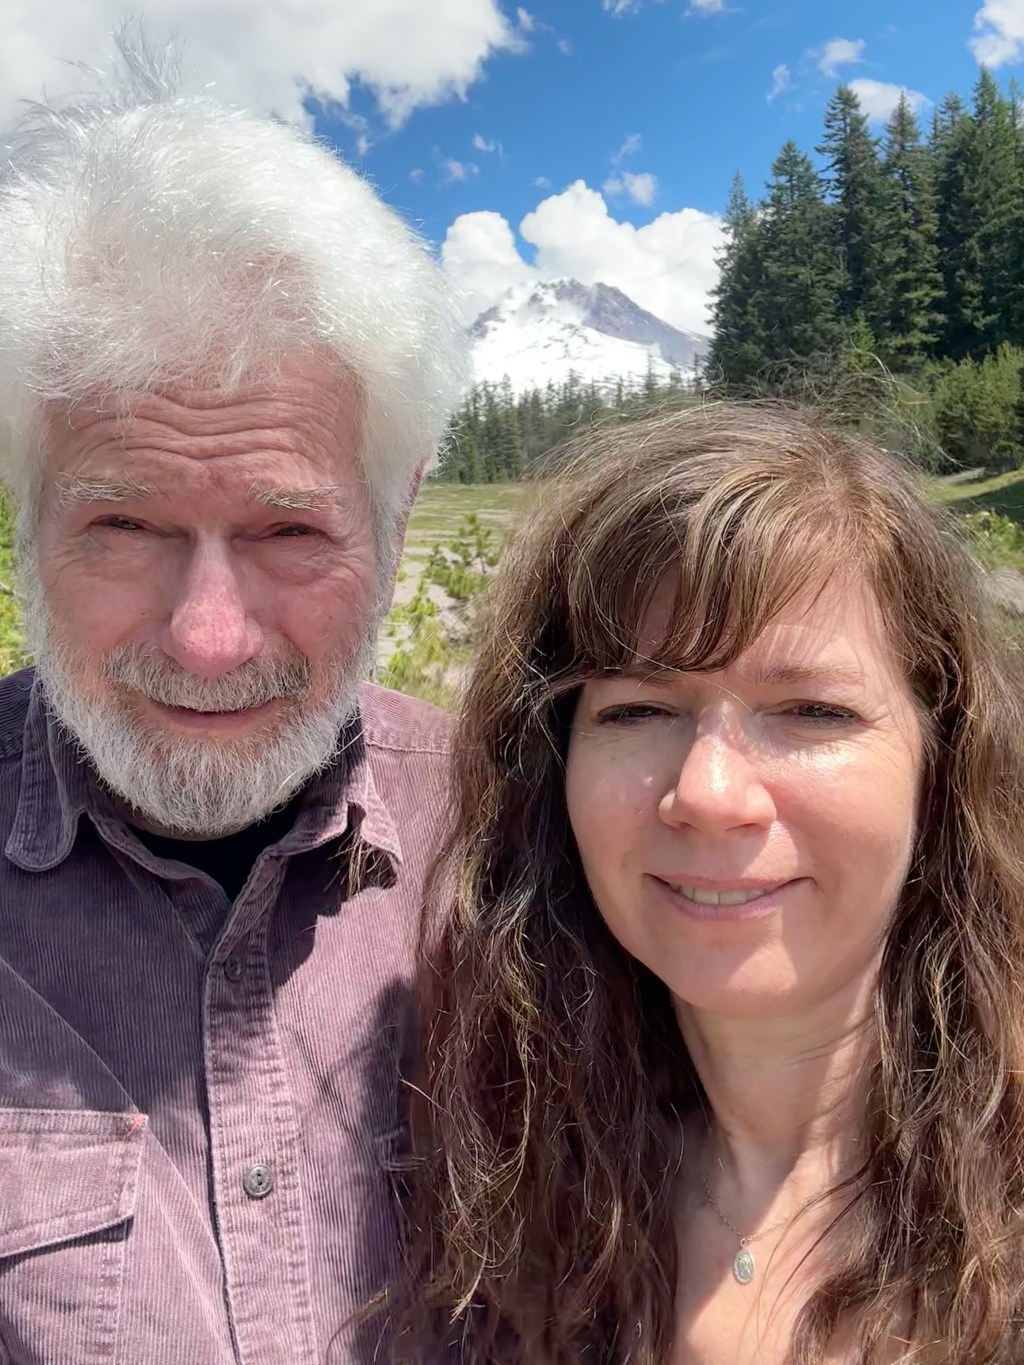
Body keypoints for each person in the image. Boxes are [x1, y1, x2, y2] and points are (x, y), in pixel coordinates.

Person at [0, 37, 465, 1365]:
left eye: (286, 534)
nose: (209, 640)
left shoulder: (533, 836)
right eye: (127, 524)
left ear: (400, 507)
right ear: (26, 518)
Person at [404, 406, 1024, 1365]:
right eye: (640, 708)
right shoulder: (514, 1183)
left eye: (811, 710)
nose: (708, 792)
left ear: (942, 758)